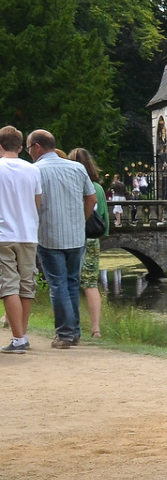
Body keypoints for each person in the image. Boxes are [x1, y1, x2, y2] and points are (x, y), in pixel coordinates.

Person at [27, 129, 94, 348]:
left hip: (49, 235)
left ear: (37, 147)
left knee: (57, 284)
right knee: (72, 282)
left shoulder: (35, 171)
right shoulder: (77, 168)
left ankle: (65, 334)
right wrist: (81, 221)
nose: (29, 153)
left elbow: (31, 204)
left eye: (29, 149)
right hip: (76, 235)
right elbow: (91, 198)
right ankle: (74, 333)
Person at [0, 126, 42, 354]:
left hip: (3, 234)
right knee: (26, 286)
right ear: (19, 147)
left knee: (8, 285)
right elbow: (36, 202)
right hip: (28, 233)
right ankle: (22, 335)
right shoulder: (33, 170)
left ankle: (18, 340)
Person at [68, 147, 108, 339]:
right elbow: (104, 218)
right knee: (91, 284)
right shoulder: (98, 188)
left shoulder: (73, 184)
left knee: (70, 282)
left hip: (74, 238)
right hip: (93, 239)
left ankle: (71, 326)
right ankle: (96, 328)